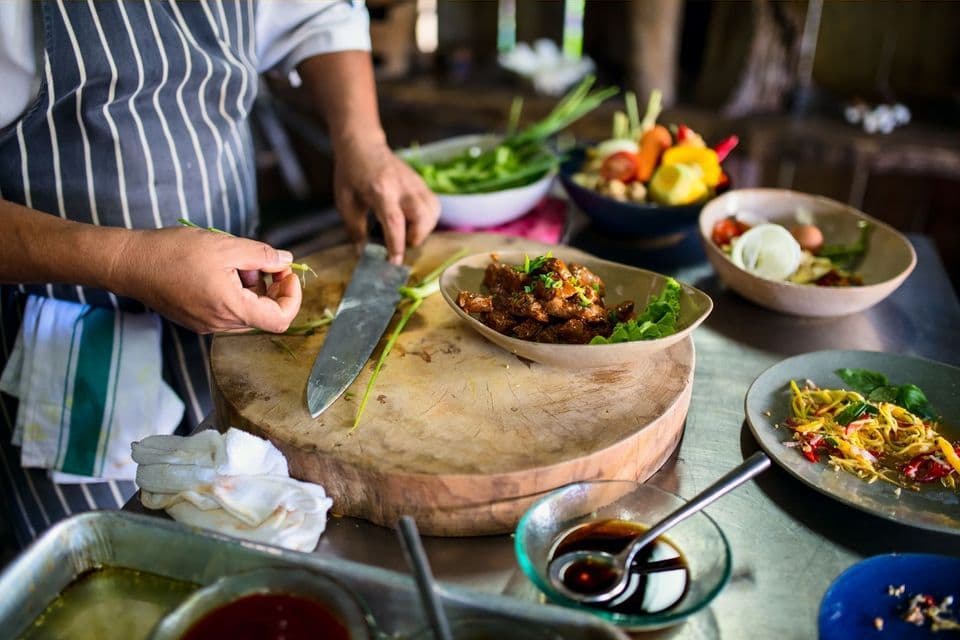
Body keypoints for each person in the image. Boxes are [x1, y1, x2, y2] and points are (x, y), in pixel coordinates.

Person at [0, 0, 439, 549]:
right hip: (72, 358)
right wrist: (125, 260)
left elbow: (319, 14)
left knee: (255, 546)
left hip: (242, 337)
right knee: (120, 564)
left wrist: (363, 142)